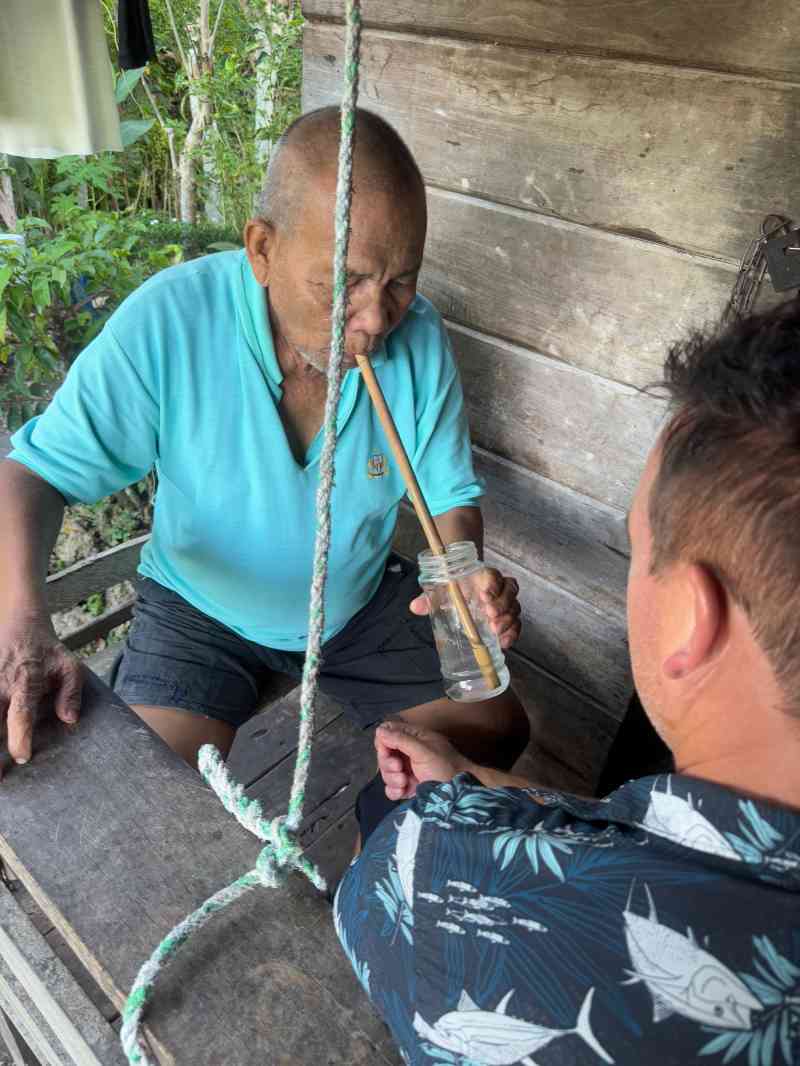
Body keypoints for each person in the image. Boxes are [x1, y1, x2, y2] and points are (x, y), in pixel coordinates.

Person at [334, 304, 800, 1065]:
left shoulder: (456, 895)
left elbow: (369, 898)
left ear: (690, 612)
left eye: (638, 547)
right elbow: (674, 838)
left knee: (378, 802)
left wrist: (446, 812)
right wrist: (488, 785)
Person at [0, 107, 529, 775]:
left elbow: (448, 494)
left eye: (401, 282)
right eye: (345, 283)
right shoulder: (172, 323)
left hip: (356, 608)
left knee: (490, 730)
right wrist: (20, 619)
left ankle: (382, 846)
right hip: (201, 610)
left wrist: (462, 582)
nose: (375, 321)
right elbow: (34, 474)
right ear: (261, 250)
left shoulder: (417, 339)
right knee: (150, 791)